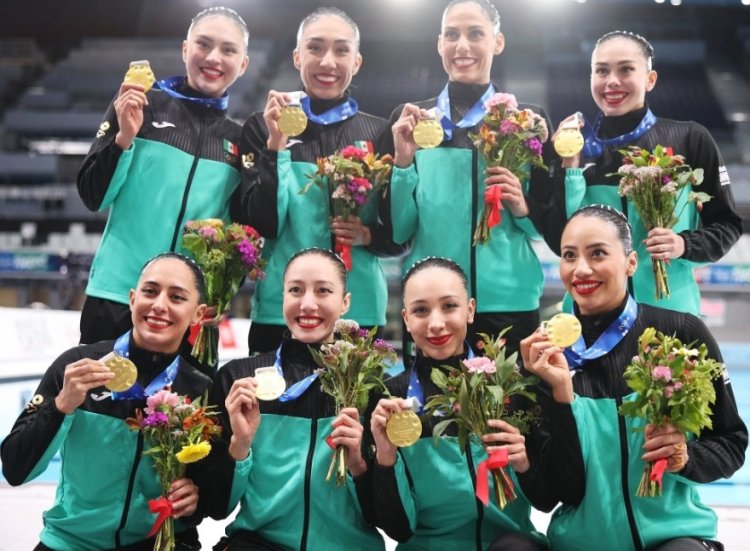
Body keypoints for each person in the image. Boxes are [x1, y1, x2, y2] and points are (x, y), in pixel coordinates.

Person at [521, 205, 747, 551]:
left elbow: (731, 442)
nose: (581, 269)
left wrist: (687, 458)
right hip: (580, 544)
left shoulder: (681, 333)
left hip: (673, 538)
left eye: (597, 253)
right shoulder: (543, 356)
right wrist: (560, 397)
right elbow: (549, 496)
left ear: (630, 263)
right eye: (569, 256)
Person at [382, 0, 558, 365]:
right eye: (452, 35)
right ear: (439, 44)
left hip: (510, 303)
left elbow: (547, 229)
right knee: (435, 420)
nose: (462, 46)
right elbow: (399, 232)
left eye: (475, 34)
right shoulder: (412, 121)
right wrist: (402, 162)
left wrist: (522, 207)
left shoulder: (528, 121)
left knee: (510, 419)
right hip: (436, 308)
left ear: (497, 42)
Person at [1, 253, 211, 551]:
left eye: (177, 297)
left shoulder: (200, 388)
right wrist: (61, 406)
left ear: (198, 314)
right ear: (132, 298)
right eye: (150, 291)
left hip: (156, 544)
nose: (159, 305)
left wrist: (196, 499)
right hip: (71, 543)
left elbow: (212, 494)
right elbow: (14, 468)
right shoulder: (75, 366)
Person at [367, 257, 576, 550]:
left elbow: (546, 501)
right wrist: (385, 459)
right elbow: (397, 529)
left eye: (449, 306)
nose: (436, 323)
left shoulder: (509, 386)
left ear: (470, 310)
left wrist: (525, 464)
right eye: (421, 310)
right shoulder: (390, 400)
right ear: (405, 319)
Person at [233, 7, 402, 355]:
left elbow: (402, 235)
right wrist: (275, 147)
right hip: (283, 311)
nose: (328, 62)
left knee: (352, 410)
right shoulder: (262, 126)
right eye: (315, 48)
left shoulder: (379, 133)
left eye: (341, 50)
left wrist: (370, 235)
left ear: (356, 62)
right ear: (297, 57)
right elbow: (264, 223)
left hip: (359, 312)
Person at [76, 6, 250, 346]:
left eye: (228, 50)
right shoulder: (140, 104)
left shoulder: (241, 140)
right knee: (96, 400)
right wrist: (124, 138)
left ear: (243, 64)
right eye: (204, 44)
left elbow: (237, 235)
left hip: (189, 309)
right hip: (117, 295)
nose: (214, 57)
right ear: (186, 49)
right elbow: (92, 196)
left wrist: (222, 291)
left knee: (183, 402)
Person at [196, 248, 385, 550]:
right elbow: (214, 507)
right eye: (296, 290)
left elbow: (389, 520)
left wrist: (359, 466)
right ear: (282, 297)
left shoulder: (371, 386)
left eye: (323, 291)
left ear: (345, 302)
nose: (307, 303)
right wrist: (239, 446)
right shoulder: (240, 380)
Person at [550, 30, 742, 315]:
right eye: (601, 70)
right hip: (590, 316)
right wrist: (569, 169)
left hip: (671, 313)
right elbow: (558, 238)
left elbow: (727, 225)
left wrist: (682, 244)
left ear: (650, 79)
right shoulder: (574, 147)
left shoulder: (689, 138)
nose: (612, 81)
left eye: (626, 69)